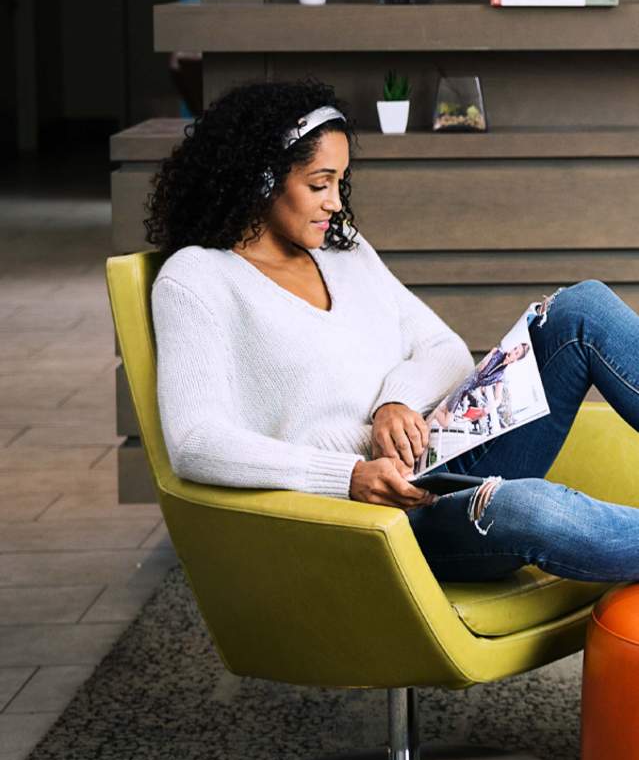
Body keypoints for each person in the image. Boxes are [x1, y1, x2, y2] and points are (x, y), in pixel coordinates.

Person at [146, 77, 639, 585]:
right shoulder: (197, 279)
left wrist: (396, 402)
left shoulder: (344, 251)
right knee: (530, 508)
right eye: (319, 184)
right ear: (262, 179)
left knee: (582, 310)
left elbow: (446, 349)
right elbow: (196, 441)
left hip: (442, 457)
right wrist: (350, 477)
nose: (335, 202)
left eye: (340, 183)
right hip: (377, 519)